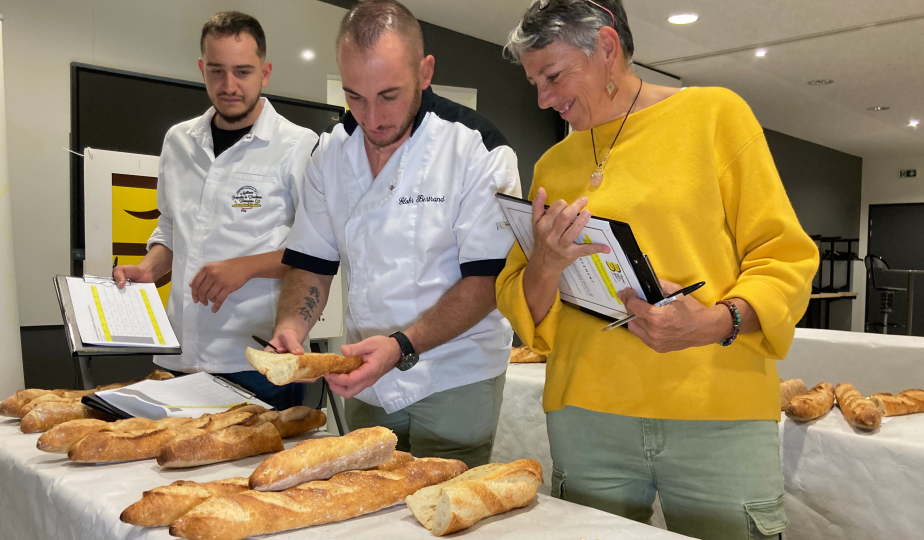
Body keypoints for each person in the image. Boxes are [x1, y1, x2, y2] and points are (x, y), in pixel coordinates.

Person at [497, 1, 820, 538]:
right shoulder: (553, 165)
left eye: (552, 76)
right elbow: (522, 302)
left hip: (717, 413)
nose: (543, 98)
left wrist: (713, 322)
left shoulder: (715, 115)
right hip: (586, 415)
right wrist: (546, 266)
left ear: (606, 48)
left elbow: (784, 258)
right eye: (535, 81)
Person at [267, 0, 521, 468]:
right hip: (367, 371)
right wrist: (291, 328)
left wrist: (402, 346)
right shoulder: (330, 153)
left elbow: (489, 282)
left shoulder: (474, 148)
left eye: (388, 95)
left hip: (455, 372)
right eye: (354, 96)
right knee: (366, 505)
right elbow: (312, 263)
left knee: (442, 508)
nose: (371, 117)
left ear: (425, 72)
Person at [113, 11, 317, 410]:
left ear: (266, 72)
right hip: (179, 352)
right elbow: (170, 229)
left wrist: (246, 266)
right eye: (217, 72)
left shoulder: (298, 145)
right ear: (202, 69)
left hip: (258, 360)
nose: (229, 86)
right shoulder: (178, 141)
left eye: (243, 71)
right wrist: (149, 269)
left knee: (252, 473)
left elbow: (318, 251)